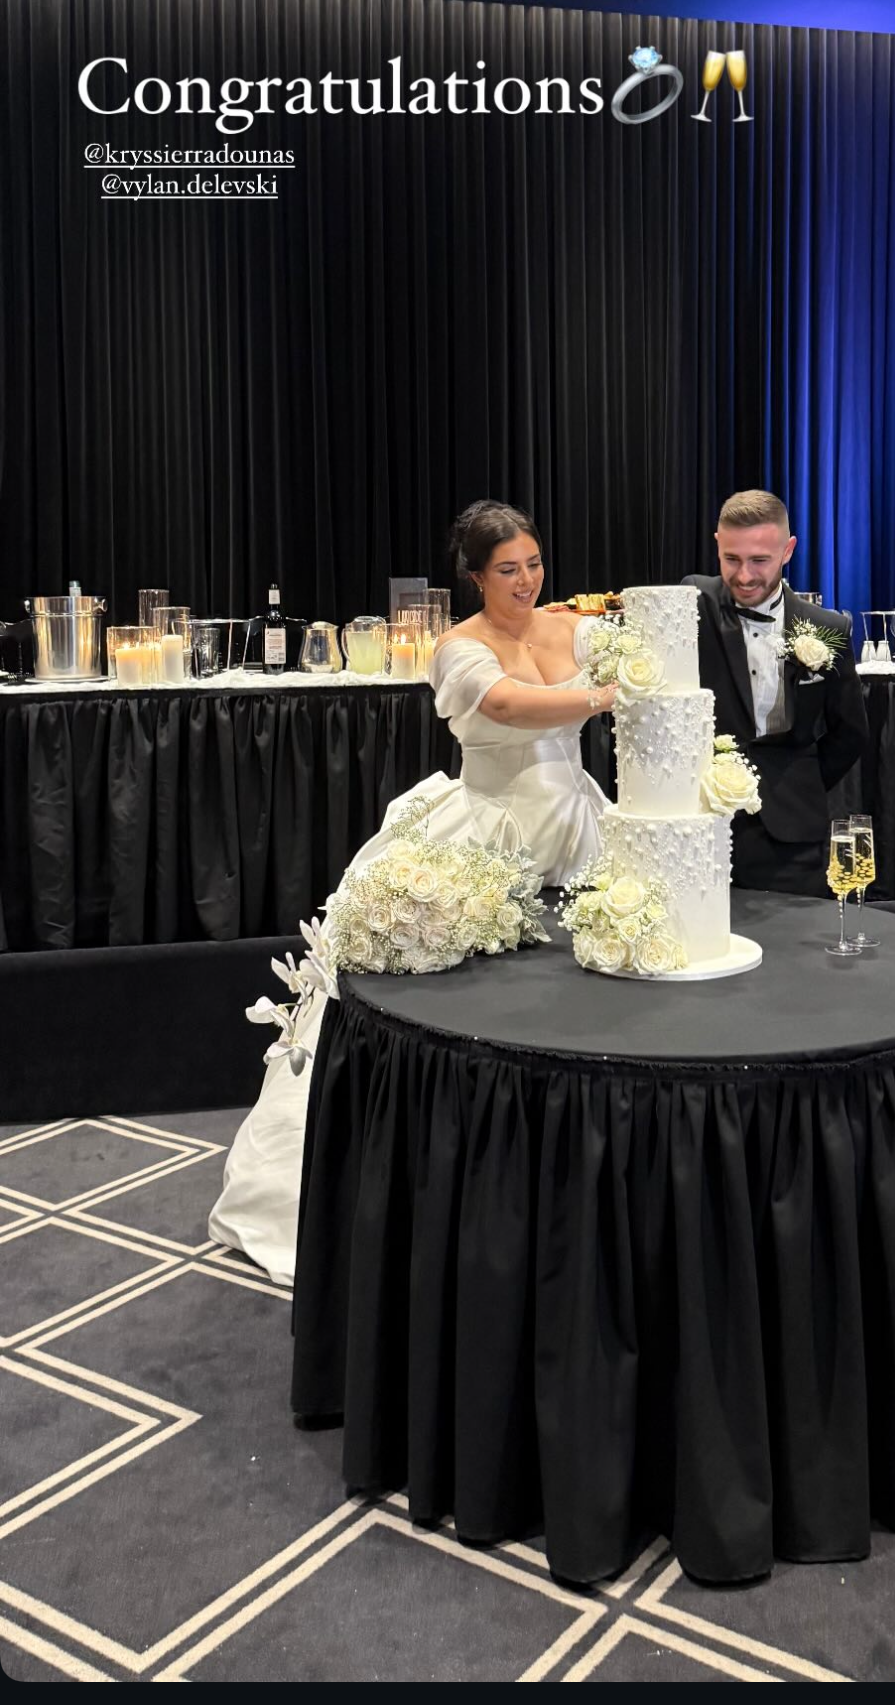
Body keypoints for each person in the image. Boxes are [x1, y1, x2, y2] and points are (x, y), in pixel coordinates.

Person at [208, 499, 613, 1284]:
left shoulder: (571, 628)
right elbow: (509, 708)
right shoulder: (459, 647)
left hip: (581, 824)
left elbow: (636, 650)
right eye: (507, 569)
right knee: (486, 1010)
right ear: (474, 576)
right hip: (489, 830)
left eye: (533, 563)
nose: (526, 580)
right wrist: (605, 695)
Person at [684, 488, 867, 896]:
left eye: (759, 561)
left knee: (792, 949)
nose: (744, 575)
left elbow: (850, 731)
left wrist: (797, 778)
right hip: (702, 821)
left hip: (791, 830)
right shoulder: (693, 601)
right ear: (717, 543)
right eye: (731, 559)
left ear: (788, 550)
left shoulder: (827, 628)